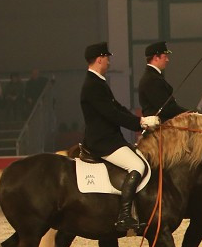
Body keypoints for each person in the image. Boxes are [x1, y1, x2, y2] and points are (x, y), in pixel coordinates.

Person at [80, 42, 161, 234]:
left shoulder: (98, 82)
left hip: (109, 139)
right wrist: (140, 123)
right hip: (103, 142)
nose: (108, 62)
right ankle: (124, 215)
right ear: (100, 59)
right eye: (107, 58)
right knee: (138, 166)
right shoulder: (92, 85)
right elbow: (111, 114)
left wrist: (141, 120)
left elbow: (118, 108)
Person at [138, 41, 187, 122]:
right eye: (165, 56)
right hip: (161, 129)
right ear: (156, 58)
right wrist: (189, 113)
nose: (167, 60)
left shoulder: (154, 76)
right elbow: (166, 108)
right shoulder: (151, 79)